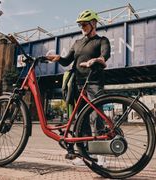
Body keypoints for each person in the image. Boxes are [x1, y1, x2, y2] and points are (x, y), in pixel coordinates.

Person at [46, 9, 111, 167]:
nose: (81, 27)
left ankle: (101, 156)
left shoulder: (102, 40)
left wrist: (96, 60)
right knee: (81, 121)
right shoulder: (77, 42)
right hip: (78, 84)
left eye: (84, 24)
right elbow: (68, 60)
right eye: (80, 25)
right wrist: (58, 58)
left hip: (94, 82)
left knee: (96, 117)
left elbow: (105, 55)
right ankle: (86, 155)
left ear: (93, 23)